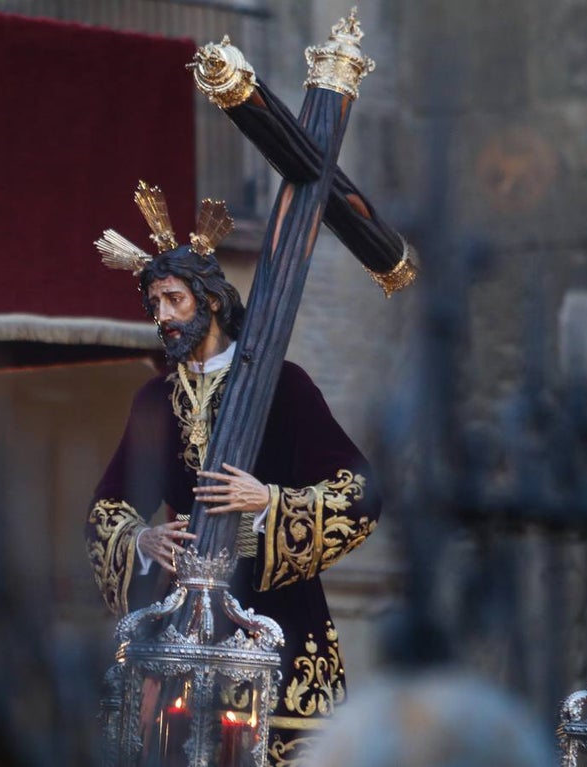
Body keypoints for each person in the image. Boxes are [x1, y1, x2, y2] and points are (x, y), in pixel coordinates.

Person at [85, 201, 382, 764]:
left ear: (213, 300)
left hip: (279, 626)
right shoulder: (154, 399)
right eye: (155, 304)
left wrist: (268, 502)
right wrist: (140, 541)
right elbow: (107, 509)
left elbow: (360, 490)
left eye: (175, 299)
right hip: (183, 633)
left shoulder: (283, 387)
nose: (164, 316)